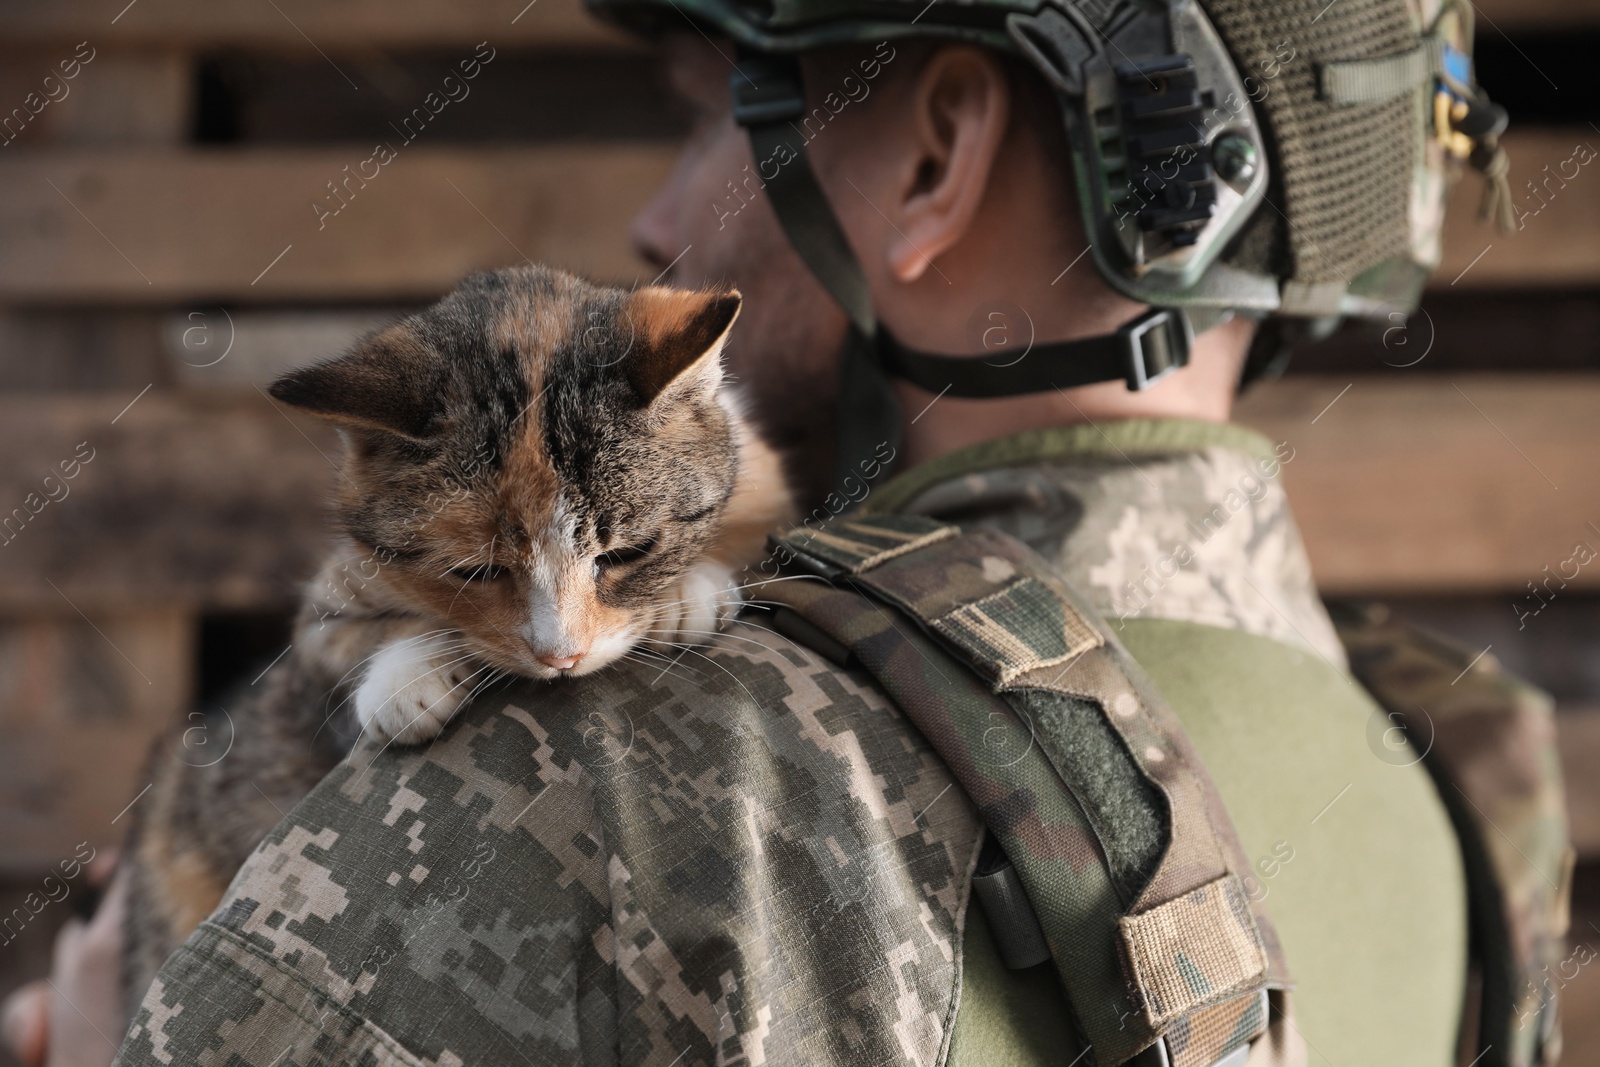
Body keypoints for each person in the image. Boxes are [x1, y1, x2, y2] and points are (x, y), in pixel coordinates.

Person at [11, 0, 1537, 1062]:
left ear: (933, 160)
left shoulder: (600, 776)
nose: (658, 226)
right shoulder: (1460, 791)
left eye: (705, 116)